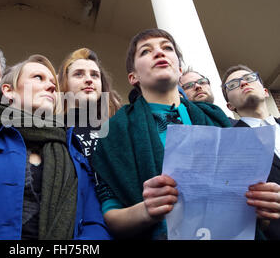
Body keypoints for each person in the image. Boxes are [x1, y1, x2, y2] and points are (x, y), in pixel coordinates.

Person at [0, 54, 111, 240]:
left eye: (53, 83)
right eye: (38, 78)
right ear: (8, 91)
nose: (51, 86)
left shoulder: (75, 153)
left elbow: (96, 225)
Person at [91, 28, 232, 239]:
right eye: (146, 51)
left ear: (180, 69)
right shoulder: (114, 133)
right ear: (133, 77)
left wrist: (262, 206)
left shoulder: (215, 118)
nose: (159, 53)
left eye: (167, 48)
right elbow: (111, 214)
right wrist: (147, 210)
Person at [222, 64, 280, 239]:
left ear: (265, 91)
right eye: (233, 84)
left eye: (249, 78)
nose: (243, 83)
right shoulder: (227, 143)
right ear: (229, 105)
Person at [57, 47, 122, 163]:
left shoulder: (117, 126)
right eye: (78, 74)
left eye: (95, 75)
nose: (89, 80)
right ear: (64, 82)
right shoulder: (53, 128)